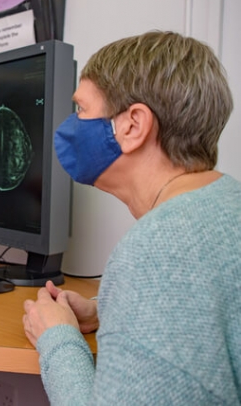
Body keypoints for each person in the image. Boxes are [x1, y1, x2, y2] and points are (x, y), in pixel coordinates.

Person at [22, 31, 241, 404]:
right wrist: (111, 311)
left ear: (133, 125)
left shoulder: (158, 253)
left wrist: (56, 337)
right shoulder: (227, 203)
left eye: (81, 110)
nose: (70, 126)